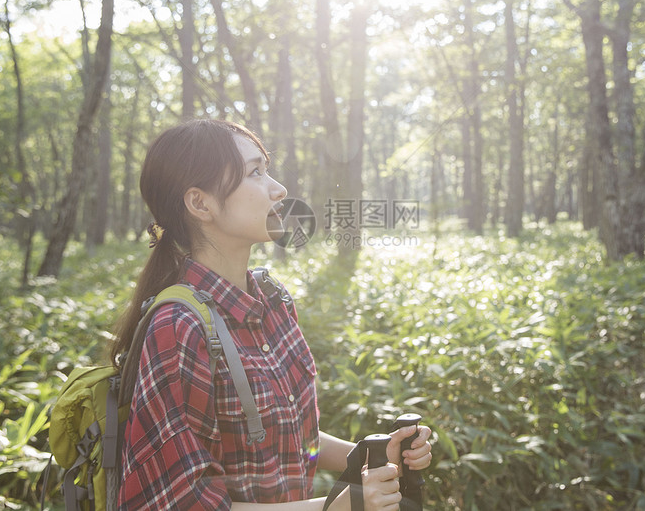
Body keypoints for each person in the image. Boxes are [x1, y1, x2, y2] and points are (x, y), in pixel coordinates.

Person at [109, 119, 432, 510]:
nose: (279, 189)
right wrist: (335, 507)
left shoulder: (274, 301)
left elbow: (296, 437)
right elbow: (178, 503)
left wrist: (372, 455)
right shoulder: (178, 329)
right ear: (200, 203)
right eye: (255, 172)